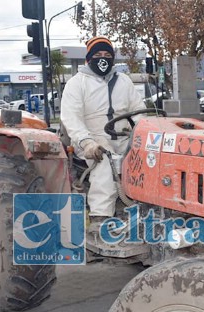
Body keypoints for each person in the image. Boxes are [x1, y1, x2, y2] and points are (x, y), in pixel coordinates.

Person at [60, 36, 146, 233]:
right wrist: (87, 143)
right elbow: (71, 118)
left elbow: (139, 112)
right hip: (92, 141)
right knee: (106, 161)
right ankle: (101, 219)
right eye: (98, 55)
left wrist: (144, 136)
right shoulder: (76, 83)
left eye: (107, 55)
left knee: (148, 160)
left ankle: (145, 214)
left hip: (125, 138)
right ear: (88, 58)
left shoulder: (124, 81)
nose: (103, 58)